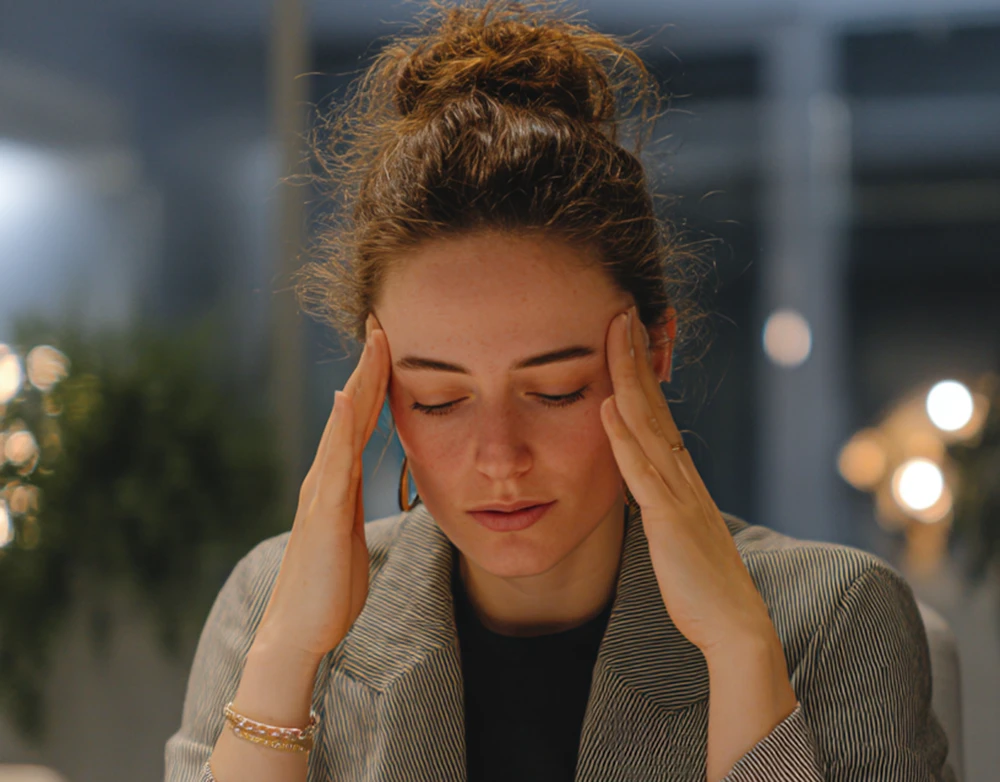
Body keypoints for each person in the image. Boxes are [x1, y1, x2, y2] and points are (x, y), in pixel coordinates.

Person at [164, 2, 955, 780]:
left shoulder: (835, 617)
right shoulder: (274, 605)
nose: (499, 458)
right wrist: (287, 655)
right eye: (438, 399)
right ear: (379, 392)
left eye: (556, 390)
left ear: (654, 350)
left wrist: (740, 650)